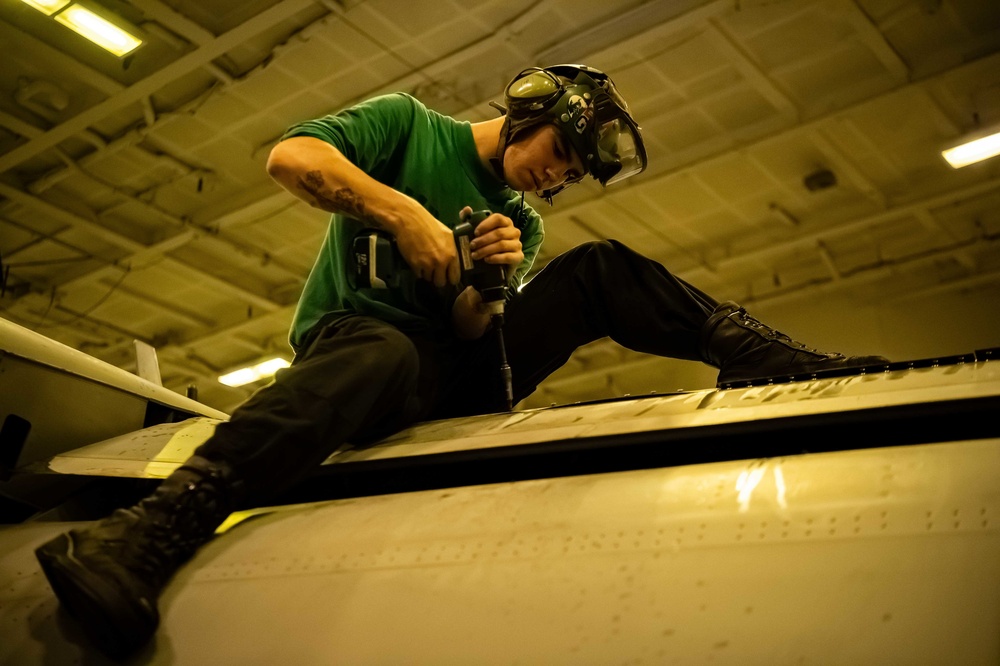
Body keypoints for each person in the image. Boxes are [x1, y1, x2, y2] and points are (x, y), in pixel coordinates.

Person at [33, 64, 888, 658]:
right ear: (528, 113)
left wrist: (489, 285)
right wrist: (401, 212)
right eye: (558, 155)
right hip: (358, 355)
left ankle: (756, 354)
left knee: (598, 269)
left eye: (568, 178)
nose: (553, 181)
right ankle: (144, 535)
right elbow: (290, 157)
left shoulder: (525, 216)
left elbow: (477, 334)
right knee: (383, 344)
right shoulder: (408, 128)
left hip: (449, 371)